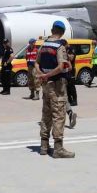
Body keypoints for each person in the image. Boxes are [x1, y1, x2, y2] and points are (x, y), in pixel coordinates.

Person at [36, 21, 75, 158]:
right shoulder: (60, 46)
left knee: (46, 115)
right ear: (62, 32)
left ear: (52, 30)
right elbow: (61, 67)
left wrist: (42, 75)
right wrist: (47, 75)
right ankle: (58, 149)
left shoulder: (44, 45)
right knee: (58, 116)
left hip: (46, 85)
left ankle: (44, 146)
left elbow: (36, 63)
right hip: (57, 86)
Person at [63, 40, 78, 129]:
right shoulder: (64, 52)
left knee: (72, 87)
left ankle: (74, 100)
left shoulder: (68, 50)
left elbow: (71, 60)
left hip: (68, 74)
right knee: (65, 95)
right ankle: (70, 113)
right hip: (65, 74)